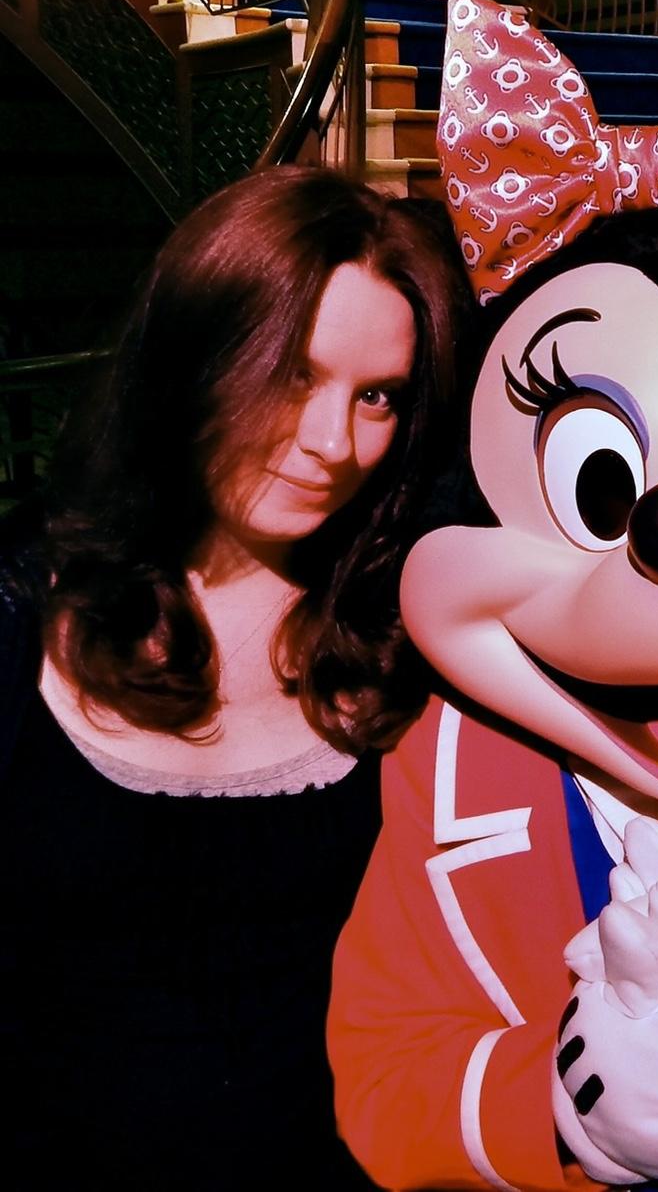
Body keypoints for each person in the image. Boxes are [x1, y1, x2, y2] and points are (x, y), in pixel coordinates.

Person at [0, 165, 469, 1189]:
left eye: (378, 397)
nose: (333, 444)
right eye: (294, 374)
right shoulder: (24, 613)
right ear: (192, 354)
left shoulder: (415, 645)